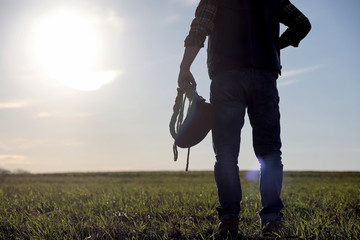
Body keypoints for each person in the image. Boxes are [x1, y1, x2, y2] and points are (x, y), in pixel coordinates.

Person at [177, 0, 311, 237]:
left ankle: (229, 221)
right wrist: (274, 45)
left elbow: (200, 27)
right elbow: (302, 24)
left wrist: (184, 66)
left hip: (226, 76)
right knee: (269, 152)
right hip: (264, 76)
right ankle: (271, 220)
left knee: (226, 153)